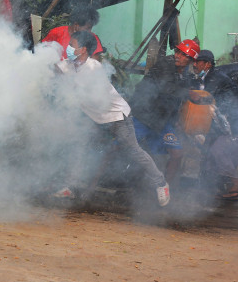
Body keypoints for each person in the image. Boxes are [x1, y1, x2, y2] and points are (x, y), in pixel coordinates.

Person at [54, 30, 170, 206]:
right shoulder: (70, 65)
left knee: (134, 150)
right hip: (95, 117)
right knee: (79, 145)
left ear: (83, 49)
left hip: (117, 116)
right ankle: (71, 186)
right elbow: (55, 70)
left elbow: (85, 91)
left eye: (73, 45)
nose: (68, 48)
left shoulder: (94, 67)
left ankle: (161, 183)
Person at [129, 39, 199, 185]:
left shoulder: (185, 75)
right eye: (178, 52)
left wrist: (177, 121)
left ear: (191, 60)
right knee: (121, 146)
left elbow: (176, 101)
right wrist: (189, 93)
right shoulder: (165, 64)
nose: (178, 55)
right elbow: (166, 88)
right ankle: (94, 179)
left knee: (176, 154)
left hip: (162, 121)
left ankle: (164, 189)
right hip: (143, 116)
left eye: (184, 55)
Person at [192, 50, 238, 199]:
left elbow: (205, 100)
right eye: (194, 61)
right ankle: (219, 186)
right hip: (234, 121)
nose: (194, 64)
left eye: (198, 62)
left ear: (207, 64)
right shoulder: (207, 77)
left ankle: (236, 184)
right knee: (212, 152)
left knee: (218, 151)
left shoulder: (214, 79)